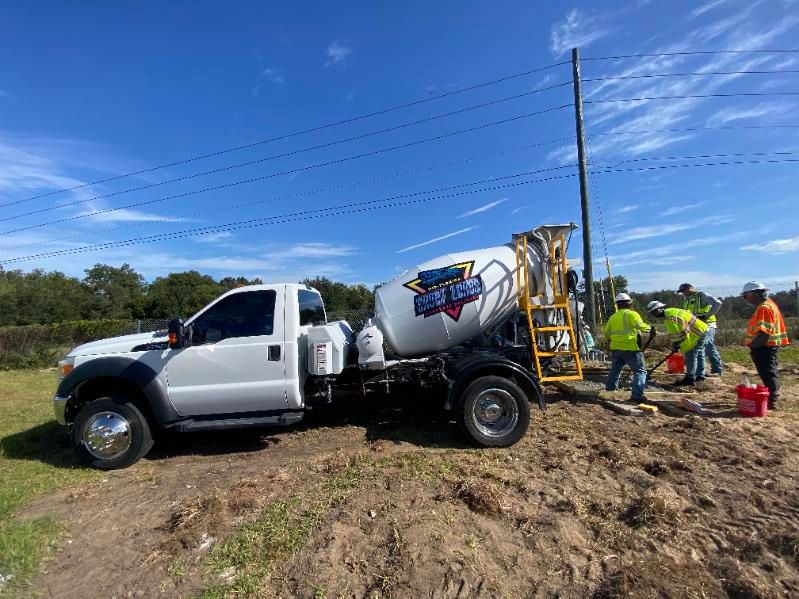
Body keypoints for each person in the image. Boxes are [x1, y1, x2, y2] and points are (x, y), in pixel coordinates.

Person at [741, 281, 791, 410]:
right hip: (766, 346)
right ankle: (771, 396)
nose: (745, 299)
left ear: (753, 294)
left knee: (768, 373)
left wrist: (754, 346)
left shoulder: (764, 307)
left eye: (745, 296)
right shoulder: (768, 305)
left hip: (764, 347)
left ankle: (771, 399)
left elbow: (764, 332)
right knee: (770, 372)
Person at [604, 293, 656, 402]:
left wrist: (611, 341)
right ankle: (637, 395)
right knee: (640, 371)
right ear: (629, 303)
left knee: (615, 370)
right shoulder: (632, 314)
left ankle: (609, 391)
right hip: (631, 348)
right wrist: (651, 329)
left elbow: (607, 332)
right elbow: (639, 325)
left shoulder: (613, 317)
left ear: (617, 305)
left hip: (616, 348)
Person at [646, 300, 708, 386]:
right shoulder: (669, 312)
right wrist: (675, 344)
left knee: (691, 354)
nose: (653, 314)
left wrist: (678, 345)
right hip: (701, 329)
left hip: (697, 332)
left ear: (659, 309)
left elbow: (680, 333)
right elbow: (676, 333)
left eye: (653, 312)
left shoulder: (670, 317)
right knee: (699, 353)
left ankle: (690, 379)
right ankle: (700, 376)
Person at [678, 283, 723, 378]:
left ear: (689, 288)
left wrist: (706, 316)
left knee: (708, 346)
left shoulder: (701, 295)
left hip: (707, 324)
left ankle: (717, 370)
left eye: (683, 291)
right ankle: (698, 372)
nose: (683, 293)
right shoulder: (687, 299)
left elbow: (718, 303)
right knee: (698, 348)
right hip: (696, 326)